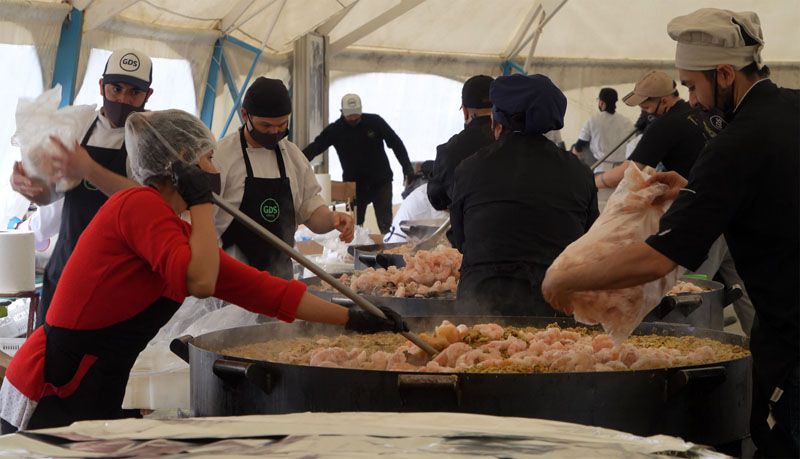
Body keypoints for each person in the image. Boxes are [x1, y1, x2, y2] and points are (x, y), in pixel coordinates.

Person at [0, 110, 407, 433]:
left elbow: (261, 289)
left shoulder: (171, 226)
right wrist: (200, 203)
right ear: (181, 166)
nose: (215, 166)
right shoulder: (139, 207)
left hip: (95, 386)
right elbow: (201, 280)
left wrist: (354, 319)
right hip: (54, 389)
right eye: (208, 158)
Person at [542, 9, 798, 456]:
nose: (692, 100)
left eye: (694, 86)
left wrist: (564, 279)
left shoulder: (736, 143)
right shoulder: (792, 105)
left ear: (724, 73)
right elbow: (772, 193)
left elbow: (659, 257)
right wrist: (693, 194)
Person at [598, 70, 755, 335]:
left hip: (706, 219)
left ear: (664, 101)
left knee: (690, 293)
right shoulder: (703, 115)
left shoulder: (666, 124)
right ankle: (767, 358)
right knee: (745, 293)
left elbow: (630, 170)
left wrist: (595, 180)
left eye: (647, 105)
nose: (645, 111)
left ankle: (696, 354)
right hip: (736, 214)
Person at [9, 49, 152, 328]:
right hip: (67, 264)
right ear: (101, 86)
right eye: (116, 88)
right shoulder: (78, 123)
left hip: (119, 275)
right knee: (47, 354)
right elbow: (56, 192)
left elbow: (148, 204)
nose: (123, 99)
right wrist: (33, 191)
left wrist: (90, 169)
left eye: (134, 93)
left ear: (148, 95)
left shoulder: (153, 136)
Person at [450, 74, 598, 316]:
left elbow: (460, 239)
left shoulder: (469, 168)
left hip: (481, 301)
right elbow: (588, 241)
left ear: (498, 121)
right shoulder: (579, 172)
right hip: (554, 306)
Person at [214, 77, 354, 279]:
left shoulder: (293, 157)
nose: (274, 132)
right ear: (245, 115)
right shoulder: (221, 157)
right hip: (231, 279)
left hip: (280, 278)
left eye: (281, 125)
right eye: (266, 126)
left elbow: (311, 211)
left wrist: (333, 220)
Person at [303, 94, 414, 234]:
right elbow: (316, 147)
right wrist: (296, 162)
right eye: (350, 115)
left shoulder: (375, 122)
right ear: (342, 112)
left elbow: (396, 143)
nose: (354, 118)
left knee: (386, 224)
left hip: (381, 182)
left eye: (356, 114)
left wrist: (407, 168)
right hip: (354, 187)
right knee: (353, 225)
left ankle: (387, 251)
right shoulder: (335, 130)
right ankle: (353, 252)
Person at [427, 75, 496, 211]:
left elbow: (437, 199)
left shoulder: (450, 151)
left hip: (471, 229)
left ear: (465, 111)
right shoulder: (520, 142)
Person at [571, 87, 634, 173]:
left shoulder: (593, 120)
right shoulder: (627, 122)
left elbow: (579, 145)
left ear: (601, 103)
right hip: (621, 171)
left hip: (600, 169)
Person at [385, 161, 447, 243]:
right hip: (402, 243)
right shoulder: (434, 192)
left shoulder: (428, 189)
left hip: (400, 240)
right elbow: (443, 226)